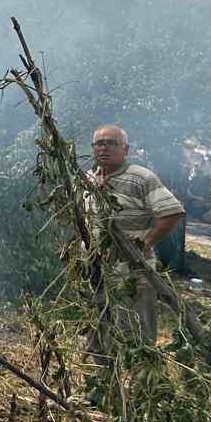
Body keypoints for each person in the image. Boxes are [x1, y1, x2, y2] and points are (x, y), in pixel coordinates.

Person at [87, 125, 186, 344]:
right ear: (93, 148)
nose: (104, 148)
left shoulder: (141, 178)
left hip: (134, 274)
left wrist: (146, 242)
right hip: (99, 274)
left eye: (112, 143)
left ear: (126, 149)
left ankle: (140, 377)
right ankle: (105, 376)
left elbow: (172, 212)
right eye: (99, 143)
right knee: (99, 337)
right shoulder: (89, 179)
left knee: (137, 340)